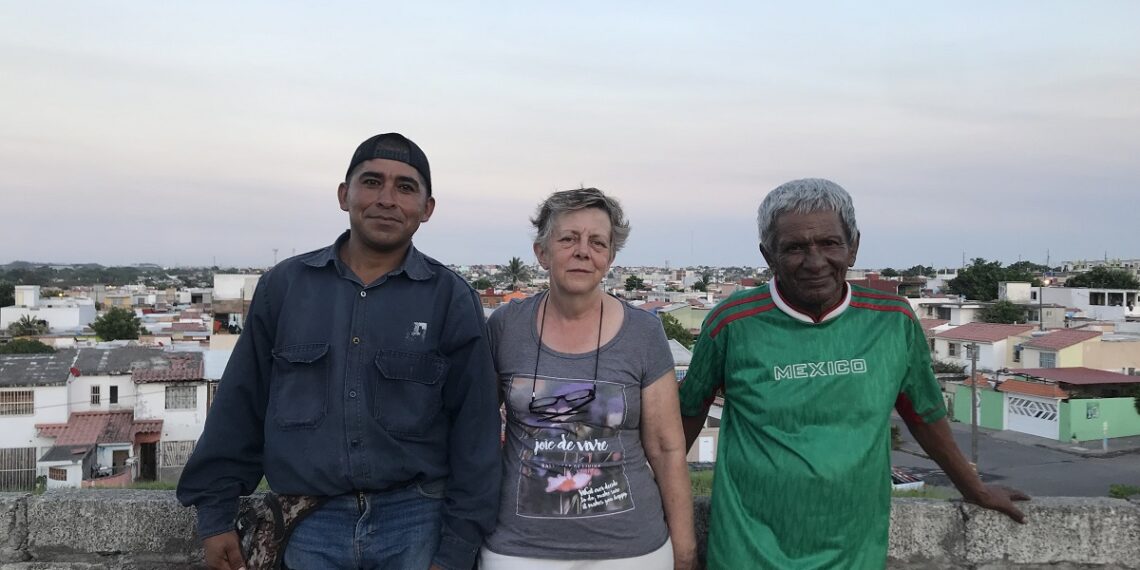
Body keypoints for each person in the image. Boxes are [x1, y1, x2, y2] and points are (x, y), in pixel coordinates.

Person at [177, 133, 501, 570]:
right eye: (372, 182)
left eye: (405, 187)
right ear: (344, 194)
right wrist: (216, 516)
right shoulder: (285, 288)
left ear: (427, 209)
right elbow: (241, 405)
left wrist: (457, 546)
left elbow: (475, 431)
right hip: (310, 521)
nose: (386, 199)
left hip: (416, 521)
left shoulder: (450, 299)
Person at [678, 178, 1029, 569]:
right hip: (746, 553)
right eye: (794, 248)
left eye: (829, 243)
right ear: (768, 255)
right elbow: (687, 416)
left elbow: (924, 414)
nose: (814, 262)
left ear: (853, 245)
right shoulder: (732, 322)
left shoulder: (891, 320)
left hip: (854, 554)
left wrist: (973, 488)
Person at [479, 188, 697, 570]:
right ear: (542, 252)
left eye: (597, 242)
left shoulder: (644, 333)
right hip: (519, 548)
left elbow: (666, 449)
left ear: (610, 257)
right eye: (568, 239)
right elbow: (476, 431)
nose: (583, 251)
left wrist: (685, 550)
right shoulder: (506, 326)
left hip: (632, 550)